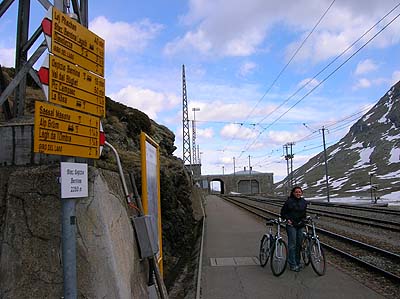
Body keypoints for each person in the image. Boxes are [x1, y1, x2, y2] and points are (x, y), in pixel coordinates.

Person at [281, 186, 307, 272]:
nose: (298, 193)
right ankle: (292, 263)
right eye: (296, 192)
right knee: (292, 244)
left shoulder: (304, 202)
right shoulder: (289, 202)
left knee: (299, 244)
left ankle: (297, 262)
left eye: (299, 192)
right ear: (293, 193)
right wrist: (287, 219)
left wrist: (304, 220)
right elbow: (283, 213)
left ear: (301, 193)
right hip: (291, 225)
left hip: (300, 225)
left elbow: (304, 213)